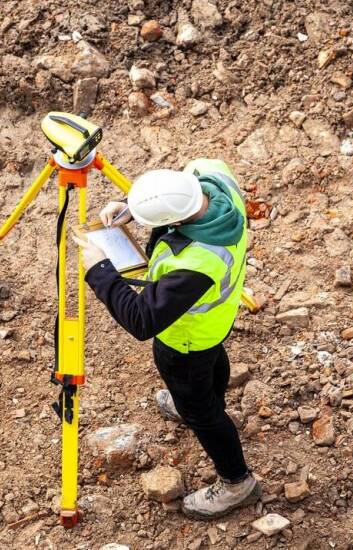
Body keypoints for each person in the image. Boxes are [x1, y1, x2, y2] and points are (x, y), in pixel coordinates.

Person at [71, 158, 259, 520]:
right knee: (210, 369)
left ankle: (238, 483)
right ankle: (204, 402)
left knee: (202, 413)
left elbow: (142, 321)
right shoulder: (212, 175)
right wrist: (133, 205)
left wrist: (99, 268)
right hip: (214, 325)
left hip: (186, 342)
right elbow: (180, 187)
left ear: (174, 222)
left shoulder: (196, 264)